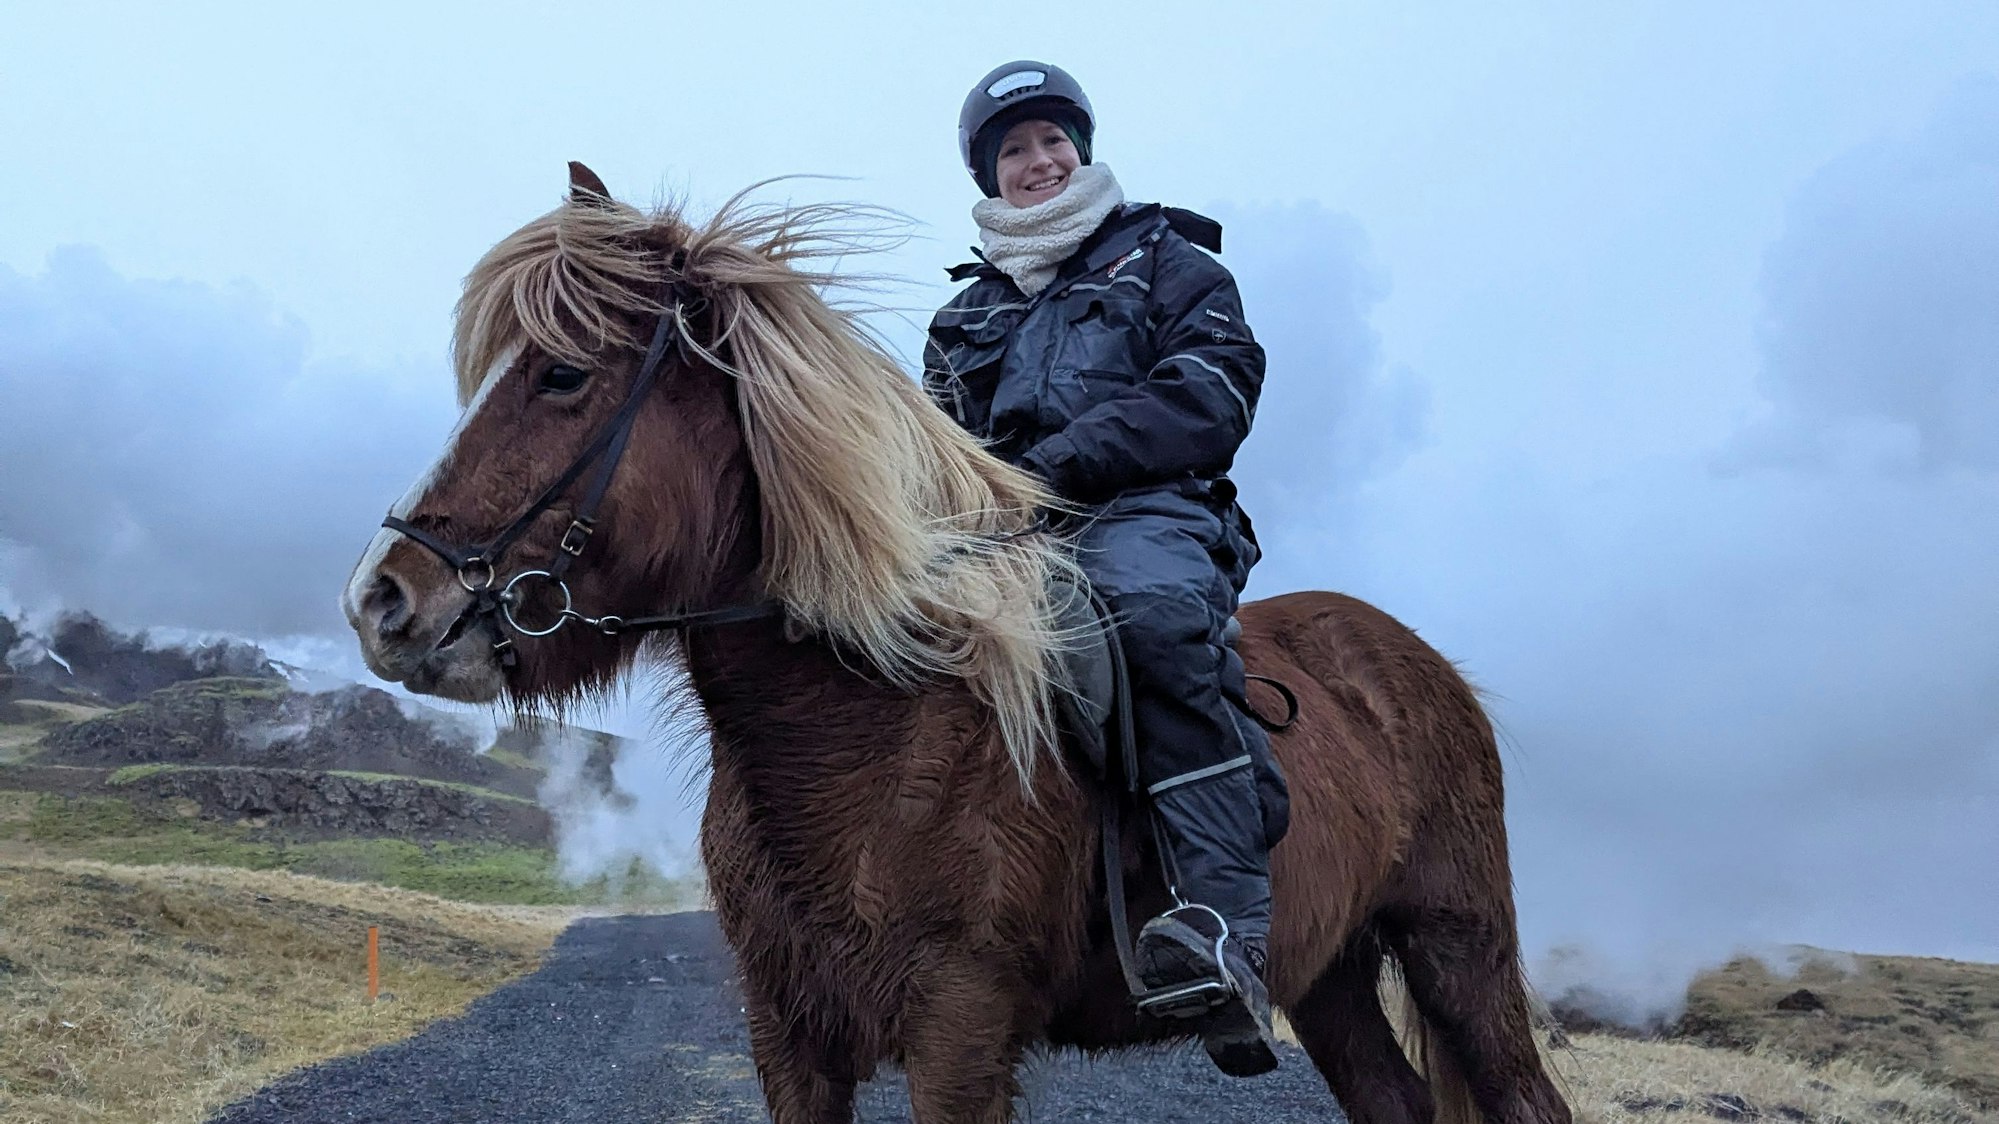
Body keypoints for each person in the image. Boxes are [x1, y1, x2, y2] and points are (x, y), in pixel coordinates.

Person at [924, 60, 1286, 1078]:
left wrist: (1052, 469)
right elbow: (940, 446)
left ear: (1079, 149)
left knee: (1143, 614)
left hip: (1148, 507)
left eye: (1052, 141)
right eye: (1014, 150)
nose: (1039, 162)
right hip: (1007, 527)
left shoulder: (1167, 256)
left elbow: (1212, 390)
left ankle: (1225, 924)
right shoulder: (961, 318)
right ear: (990, 178)